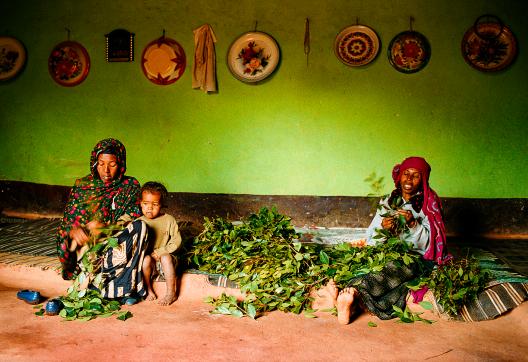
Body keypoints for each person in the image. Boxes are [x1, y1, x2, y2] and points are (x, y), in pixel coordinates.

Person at [317, 156, 451, 324]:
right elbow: (371, 237)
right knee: (356, 259)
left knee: (393, 270)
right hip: (385, 251)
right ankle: (349, 302)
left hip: (415, 257)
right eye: (406, 174)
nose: (409, 179)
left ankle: (353, 293)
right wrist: (383, 229)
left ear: (423, 180)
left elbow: (430, 246)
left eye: (415, 175)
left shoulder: (429, 205)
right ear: (399, 176)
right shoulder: (388, 201)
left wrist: (412, 224)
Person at [56, 138, 148, 303]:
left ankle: (118, 286)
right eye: (100, 164)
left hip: (117, 244)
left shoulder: (130, 185)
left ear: (120, 164)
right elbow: (67, 223)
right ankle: (103, 284)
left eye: (112, 165)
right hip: (91, 248)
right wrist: (75, 230)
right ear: (94, 163)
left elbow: (133, 216)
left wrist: (106, 227)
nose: (106, 170)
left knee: (140, 227)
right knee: (76, 246)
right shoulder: (83, 186)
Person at [139, 182, 182, 306]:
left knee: (165, 257)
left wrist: (161, 252)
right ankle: (149, 290)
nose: (149, 208)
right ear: (141, 203)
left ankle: (171, 293)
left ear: (161, 205)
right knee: (145, 260)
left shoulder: (169, 220)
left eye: (155, 204)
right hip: (150, 261)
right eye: (146, 204)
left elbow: (176, 241)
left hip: (166, 258)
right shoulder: (139, 222)